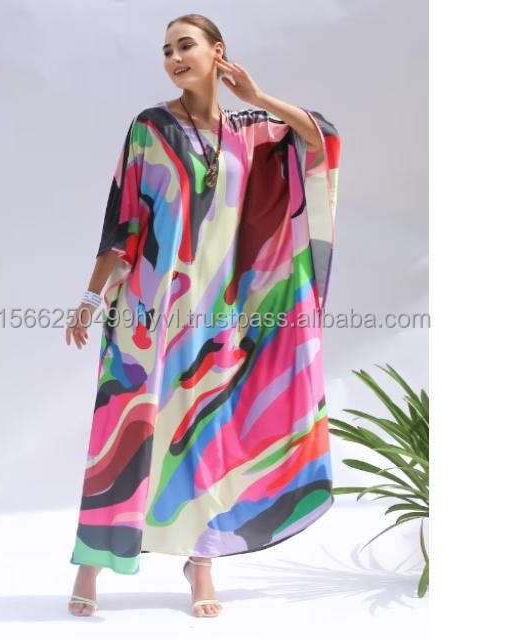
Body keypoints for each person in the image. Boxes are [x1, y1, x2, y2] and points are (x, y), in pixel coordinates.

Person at [64, 13, 341, 619]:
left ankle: (201, 562)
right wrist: (89, 299)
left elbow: (319, 142)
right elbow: (122, 220)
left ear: (219, 52)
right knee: (124, 433)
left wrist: (258, 95)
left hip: (218, 316)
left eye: (185, 45)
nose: (173, 58)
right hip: (148, 309)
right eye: (166, 50)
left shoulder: (253, 130)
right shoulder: (152, 126)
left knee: (202, 435)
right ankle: (93, 561)